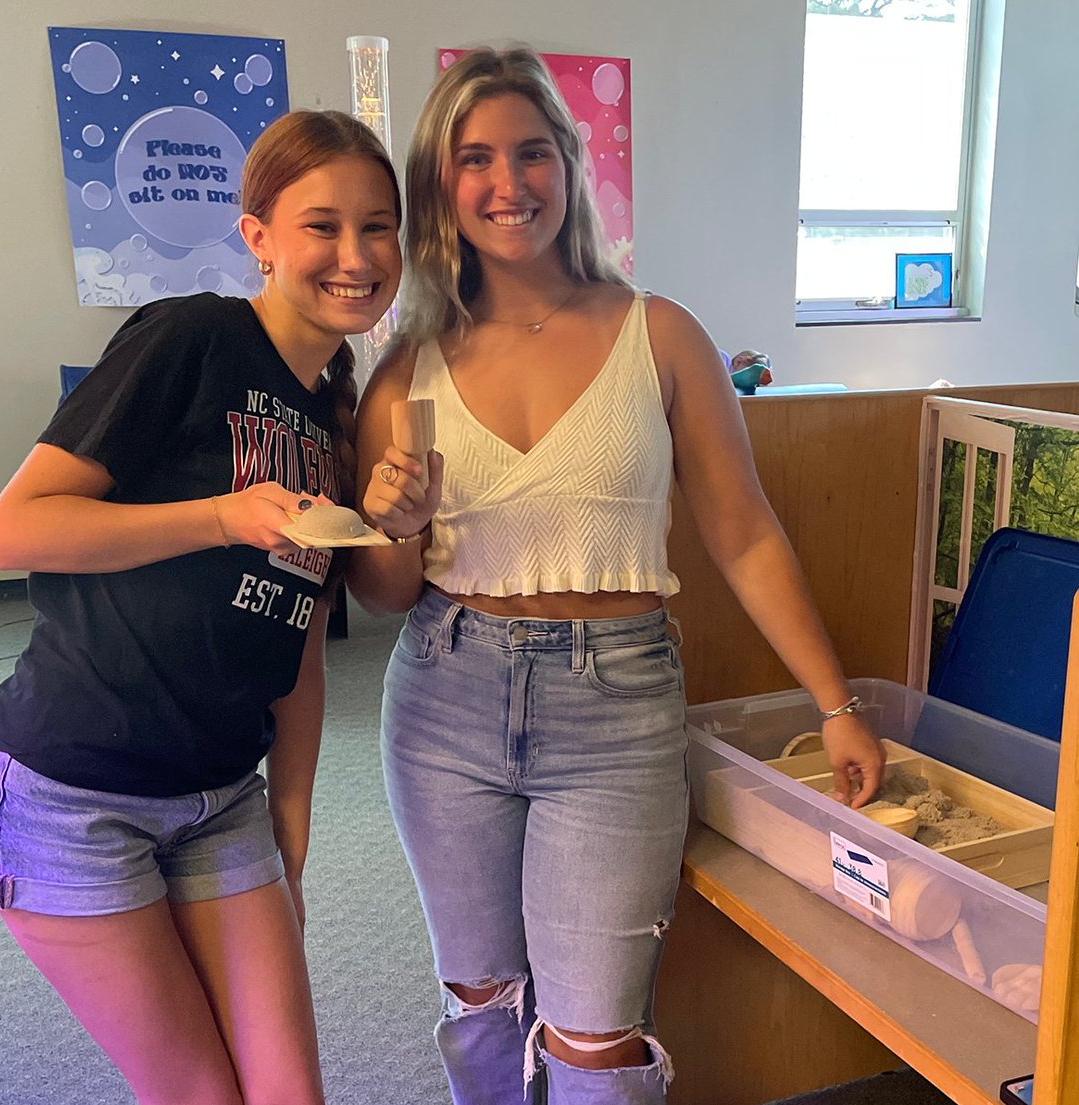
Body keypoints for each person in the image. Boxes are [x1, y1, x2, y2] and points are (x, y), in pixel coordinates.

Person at [347, 48, 885, 1105]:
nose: (510, 184)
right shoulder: (408, 362)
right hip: (444, 695)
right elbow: (383, 592)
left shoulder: (664, 335)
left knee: (598, 1038)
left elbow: (745, 533)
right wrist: (396, 529)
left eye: (534, 153)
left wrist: (837, 702)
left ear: (571, 166)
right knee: (484, 1002)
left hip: (618, 702)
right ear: (440, 184)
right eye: (477, 159)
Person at [0, 110, 402, 1105]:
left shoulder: (333, 419)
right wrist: (222, 518)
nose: (356, 256)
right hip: (67, 790)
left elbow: (303, 646)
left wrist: (292, 818)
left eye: (380, 227)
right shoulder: (192, 336)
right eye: (322, 225)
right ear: (259, 235)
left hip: (221, 797)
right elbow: (11, 530)